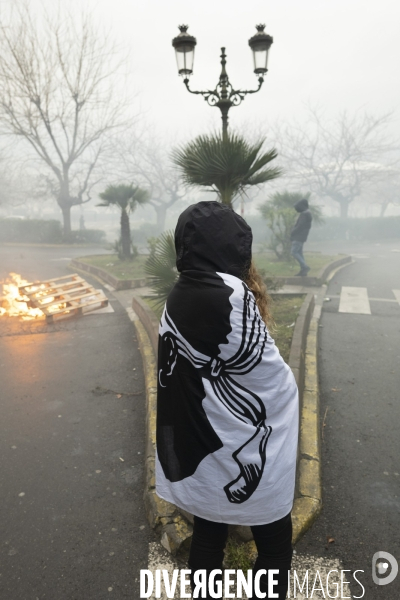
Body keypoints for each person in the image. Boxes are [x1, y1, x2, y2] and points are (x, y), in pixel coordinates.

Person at [156, 201, 299, 599]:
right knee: (274, 544)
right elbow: (269, 374)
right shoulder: (233, 294)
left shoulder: (178, 294)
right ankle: (253, 456)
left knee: (208, 534)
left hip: (204, 441)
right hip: (238, 435)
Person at [290, 198, 313, 276]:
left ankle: (305, 267)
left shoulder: (304, 214)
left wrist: (292, 233)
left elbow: (300, 226)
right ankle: (303, 271)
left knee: (294, 252)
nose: (296, 210)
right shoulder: (308, 213)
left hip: (298, 237)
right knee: (299, 253)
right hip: (302, 237)